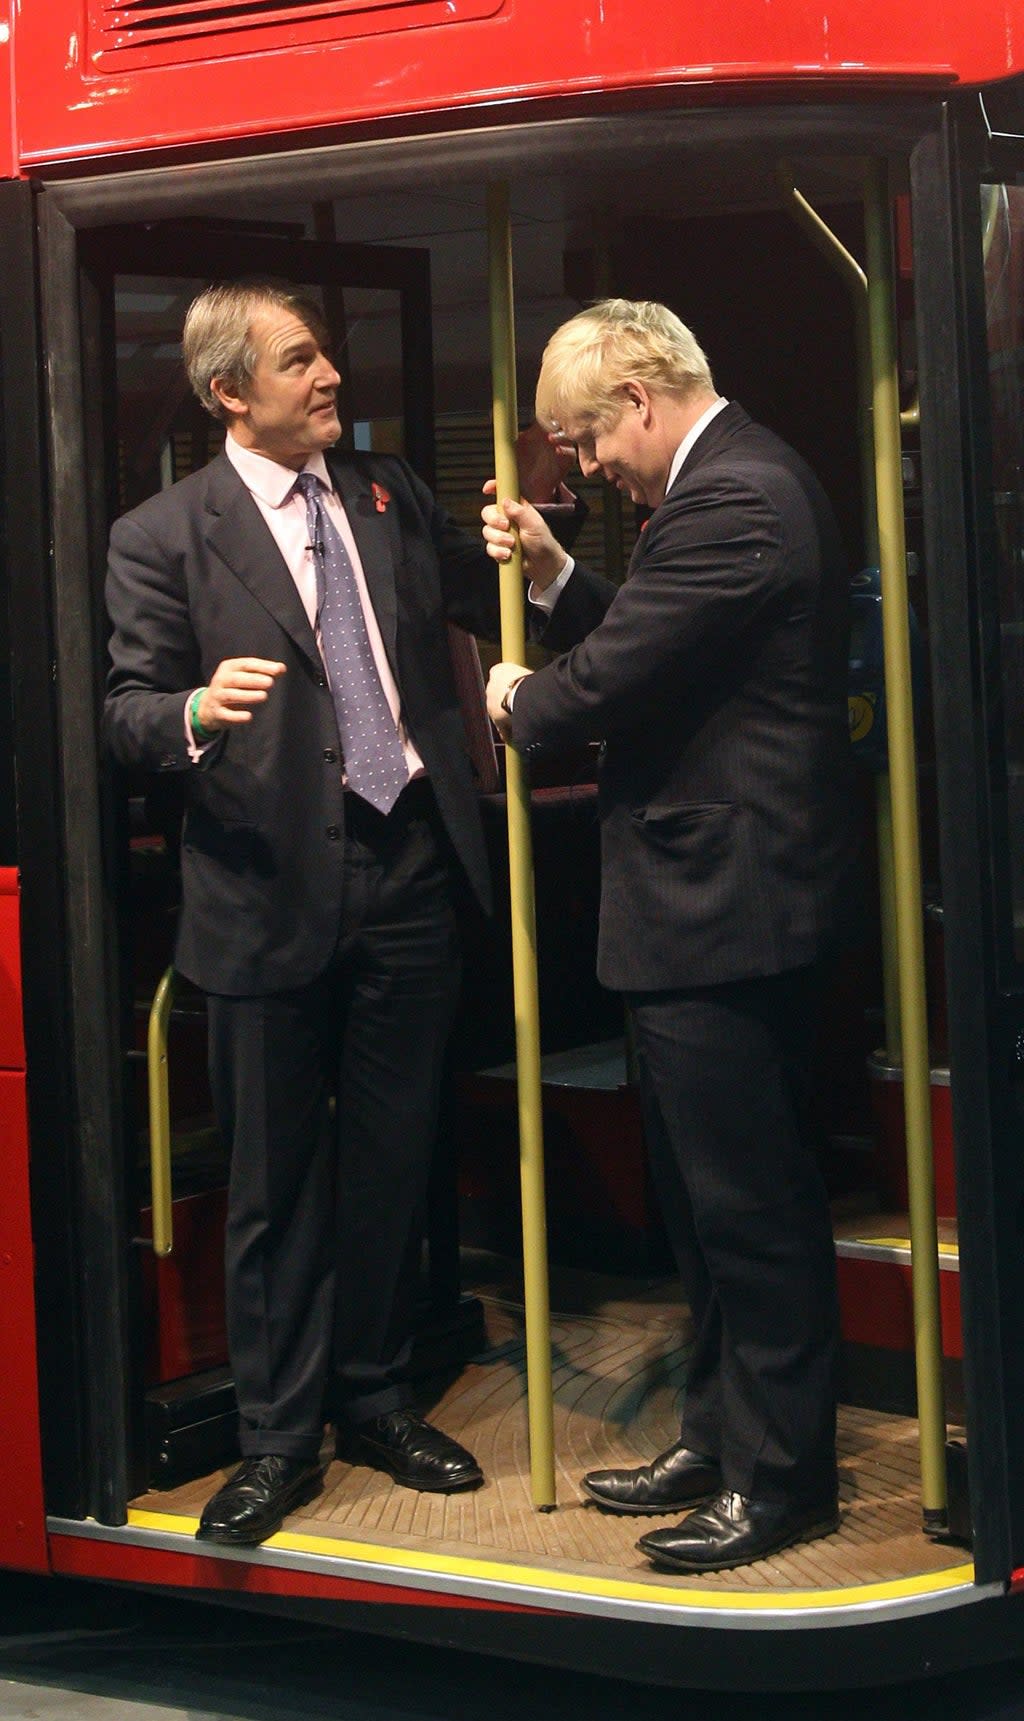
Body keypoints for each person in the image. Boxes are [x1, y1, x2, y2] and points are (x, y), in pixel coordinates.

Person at [104, 279, 573, 1547]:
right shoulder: (162, 535)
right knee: (272, 1184)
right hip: (262, 890)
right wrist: (197, 710)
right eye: (301, 361)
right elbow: (127, 709)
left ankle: (372, 1396)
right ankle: (273, 1438)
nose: (330, 378)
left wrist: (540, 513)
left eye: (327, 354)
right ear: (229, 393)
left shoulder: (388, 493)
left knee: (390, 1159)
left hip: (407, 868)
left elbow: (466, 617)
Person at [482, 298, 856, 1574]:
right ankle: (716, 1434)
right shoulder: (724, 493)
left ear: (639, 400)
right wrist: (555, 577)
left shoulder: (735, 497)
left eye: (584, 439)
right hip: (705, 909)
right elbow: (660, 648)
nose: (584, 467)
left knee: (747, 1207)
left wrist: (521, 697)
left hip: (727, 912)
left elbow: (612, 679)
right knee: (703, 1208)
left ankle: (780, 1476)